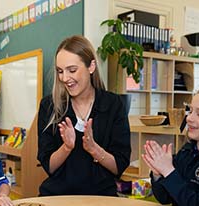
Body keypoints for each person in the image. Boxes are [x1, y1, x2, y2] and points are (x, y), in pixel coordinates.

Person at [37, 35, 131, 196]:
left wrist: (94, 149)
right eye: (60, 71)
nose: (65, 78)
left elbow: (119, 165)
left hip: (101, 198)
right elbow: (49, 167)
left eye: (72, 70)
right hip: (58, 198)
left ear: (91, 66)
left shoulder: (113, 105)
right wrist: (66, 147)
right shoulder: (50, 106)